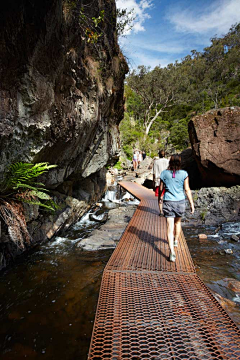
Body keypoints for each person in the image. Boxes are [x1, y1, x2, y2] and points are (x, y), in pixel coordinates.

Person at [159, 154, 194, 262]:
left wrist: (159, 199)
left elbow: (161, 189)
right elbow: (187, 189)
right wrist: (192, 204)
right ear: (180, 162)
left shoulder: (164, 173)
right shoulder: (184, 174)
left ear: (170, 162)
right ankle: (176, 241)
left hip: (168, 201)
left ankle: (172, 252)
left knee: (169, 228)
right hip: (180, 202)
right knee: (177, 223)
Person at [153, 150, 169, 214]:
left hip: (158, 180)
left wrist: (153, 181)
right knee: (167, 195)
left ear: (159, 155)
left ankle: (161, 211)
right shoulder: (167, 161)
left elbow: (154, 173)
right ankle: (166, 209)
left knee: (160, 195)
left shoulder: (156, 162)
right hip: (167, 180)